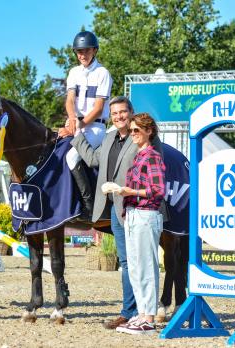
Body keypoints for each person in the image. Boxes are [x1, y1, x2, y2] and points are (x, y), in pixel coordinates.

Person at [71, 97, 163, 330]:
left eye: (123, 112)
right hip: (117, 208)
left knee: (143, 262)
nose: (119, 116)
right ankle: (133, 311)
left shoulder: (142, 137)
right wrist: (77, 134)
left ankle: (142, 313)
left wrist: (128, 190)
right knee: (127, 261)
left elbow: (155, 181)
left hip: (141, 207)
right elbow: (92, 159)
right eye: (114, 113)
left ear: (131, 113)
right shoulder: (110, 137)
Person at [115, 113, 165, 335]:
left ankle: (149, 318)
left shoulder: (152, 156)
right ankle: (142, 313)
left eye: (137, 130)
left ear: (149, 132)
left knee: (146, 267)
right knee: (135, 267)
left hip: (146, 214)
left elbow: (158, 190)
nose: (133, 134)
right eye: (132, 130)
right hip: (134, 213)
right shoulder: (138, 156)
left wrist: (130, 191)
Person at [59, 30, 113, 220]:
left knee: (72, 157)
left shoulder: (102, 73)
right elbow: (69, 100)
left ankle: (89, 206)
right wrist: (73, 119)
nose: (82, 55)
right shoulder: (73, 72)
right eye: (79, 52)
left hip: (96, 126)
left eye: (86, 51)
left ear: (94, 51)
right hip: (78, 123)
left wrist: (79, 124)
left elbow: (98, 108)